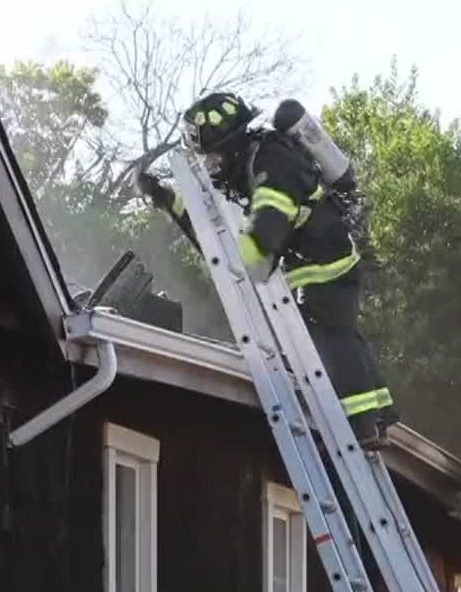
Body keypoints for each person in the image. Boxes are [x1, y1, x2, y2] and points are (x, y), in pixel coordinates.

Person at [138, 92, 400, 447]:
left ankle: (358, 427)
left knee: (325, 337)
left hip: (326, 266)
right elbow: (215, 232)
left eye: (212, 155)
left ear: (228, 143)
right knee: (340, 333)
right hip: (315, 263)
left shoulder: (270, 161)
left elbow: (271, 219)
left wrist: (250, 260)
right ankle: (376, 416)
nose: (210, 164)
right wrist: (167, 198)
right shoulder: (248, 165)